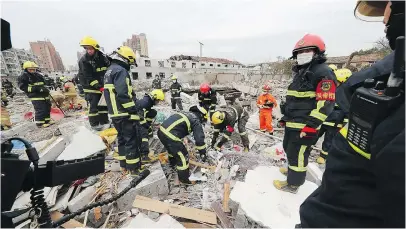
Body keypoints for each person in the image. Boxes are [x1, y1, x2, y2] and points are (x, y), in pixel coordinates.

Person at [300, 1, 405, 227]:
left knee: (316, 146)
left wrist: (312, 124)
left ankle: (297, 177)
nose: (385, 19)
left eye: (386, 4)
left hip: (320, 123)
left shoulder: (390, 88)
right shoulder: (386, 79)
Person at [275, 33, 337, 193]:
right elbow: (296, 100)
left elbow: (326, 104)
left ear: (317, 52)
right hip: (293, 123)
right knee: (289, 149)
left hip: (305, 125)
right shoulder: (302, 73)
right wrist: (285, 118)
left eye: (307, 51)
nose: (302, 55)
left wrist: (311, 126)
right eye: (300, 52)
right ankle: (291, 172)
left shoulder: (323, 72)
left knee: (298, 154)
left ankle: (293, 184)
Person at [104, 46, 142, 176]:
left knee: (121, 139)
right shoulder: (121, 71)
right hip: (123, 112)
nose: (130, 67)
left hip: (114, 114)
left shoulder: (109, 71)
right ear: (126, 59)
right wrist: (133, 110)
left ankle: (124, 166)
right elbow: (123, 94)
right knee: (131, 140)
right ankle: (134, 169)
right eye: (130, 63)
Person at [157, 105, 208, 184]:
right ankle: (184, 179)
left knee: (172, 150)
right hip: (170, 136)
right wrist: (203, 152)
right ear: (202, 116)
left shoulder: (186, 114)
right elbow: (199, 139)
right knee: (183, 156)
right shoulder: (196, 120)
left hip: (161, 132)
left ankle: (173, 163)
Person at [316, 68, 352, 164]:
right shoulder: (330, 90)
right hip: (322, 120)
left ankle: (323, 156)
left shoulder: (347, 96)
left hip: (335, 124)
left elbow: (347, 112)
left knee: (328, 141)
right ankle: (306, 149)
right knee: (314, 136)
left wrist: (344, 125)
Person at [78, 36, 110, 130]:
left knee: (103, 105)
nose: (89, 51)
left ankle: (105, 122)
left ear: (95, 48)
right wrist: (98, 86)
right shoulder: (84, 61)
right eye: (87, 49)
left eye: (90, 48)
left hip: (102, 86)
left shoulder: (103, 58)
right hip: (90, 87)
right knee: (94, 106)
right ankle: (95, 125)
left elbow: (107, 70)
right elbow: (88, 77)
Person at [132, 89, 165, 163]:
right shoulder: (145, 103)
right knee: (144, 135)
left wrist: (149, 126)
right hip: (135, 120)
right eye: (158, 100)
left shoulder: (148, 101)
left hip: (139, 117)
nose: (158, 102)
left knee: (153, 112)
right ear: (154, 97)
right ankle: (144, 155)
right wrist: (147, 127)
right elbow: (141, 118)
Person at [18, 61, 52, 128]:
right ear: (26, 69)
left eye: (34, 69)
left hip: (43, 95)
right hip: (35, 96)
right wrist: (36, 89)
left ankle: (47, 121)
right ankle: (40, 123)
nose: (33, 71)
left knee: (47, 107)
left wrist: (46, 89)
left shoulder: (38, 75)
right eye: (30, 69)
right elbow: (23, 87)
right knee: (40, 109)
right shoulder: (24, 76)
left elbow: (44, 83)